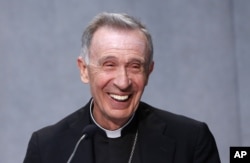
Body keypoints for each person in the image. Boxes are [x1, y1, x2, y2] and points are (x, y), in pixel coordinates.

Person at [23, 12, 221, 163]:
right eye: (109, 65)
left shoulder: (191, 139)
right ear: (84, 70)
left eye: (135, 66)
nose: (123, 82)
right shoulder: (46, 147)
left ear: (148, 72)